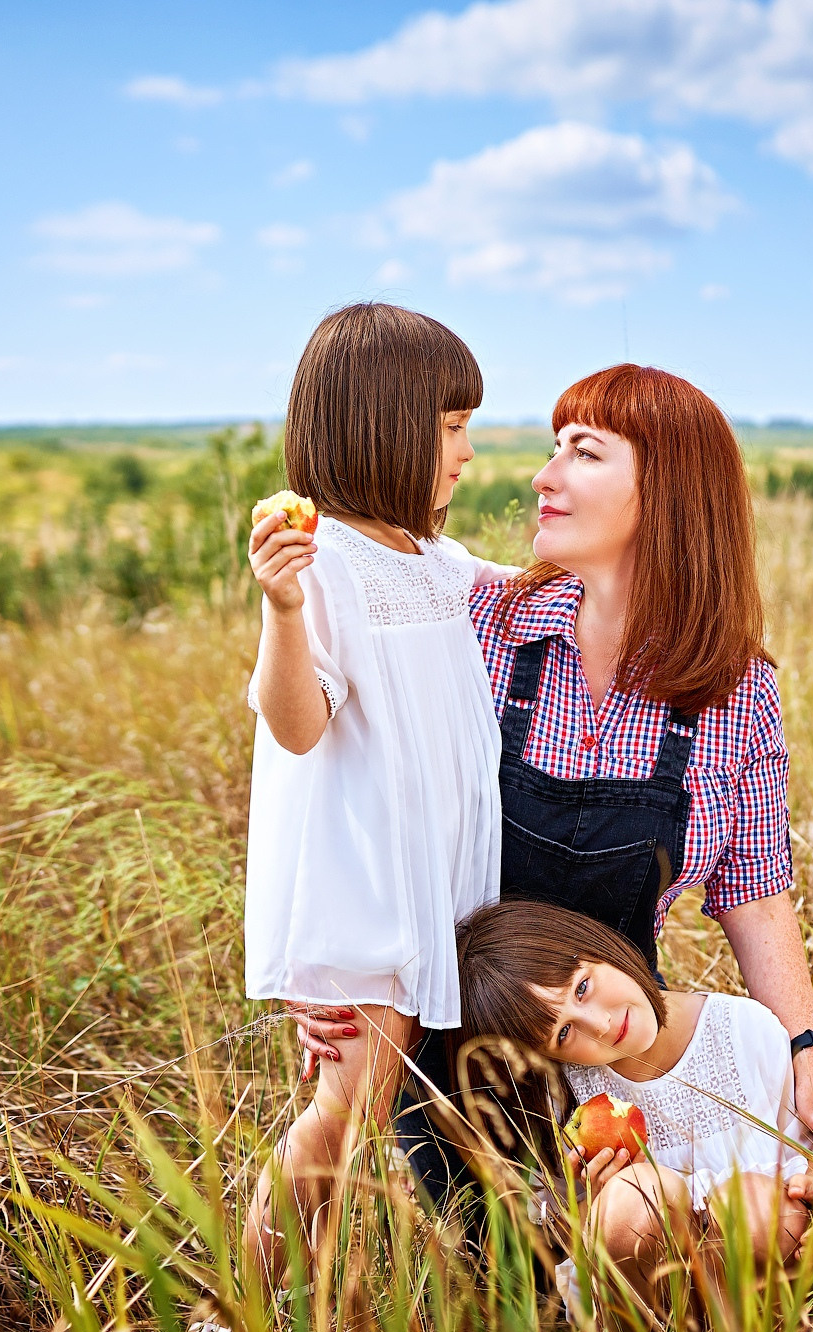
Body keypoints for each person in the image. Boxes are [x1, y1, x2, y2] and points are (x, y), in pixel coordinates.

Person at [297, 363, 813, 1201]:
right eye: (554, 447)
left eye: (584, 453)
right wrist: (331, 968)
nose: (544, 475)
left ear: (667, 493)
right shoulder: (476, 625)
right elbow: (346, 779)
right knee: (502, 1287)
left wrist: (807, 1051)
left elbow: (755, 892)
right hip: (454, 1052)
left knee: (646, 1268)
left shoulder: (735, 688)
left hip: (609, 1048)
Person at [240, 303, 500, 1279]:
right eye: (451, 428)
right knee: (339, 1125)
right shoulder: (331, 569)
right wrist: (283, 608)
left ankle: (304, 1301)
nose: (469, 454)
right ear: (384, 426)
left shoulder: (432, 560)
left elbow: (534, 590)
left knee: (361, 1122)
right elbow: (295, 722)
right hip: (367, 897)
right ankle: (246, 1315)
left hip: (424, 893)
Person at [456, 901, 813, 1301]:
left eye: (582, 987)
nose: (602, 1025)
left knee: (751, 1209)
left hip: (772, 1289)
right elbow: (558, 1229)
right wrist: (597, 1207)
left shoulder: (744, 1031)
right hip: (656, 1308)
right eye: (564, 1034)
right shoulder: (568, 1101)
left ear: (597, 944)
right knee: (629, 1200)